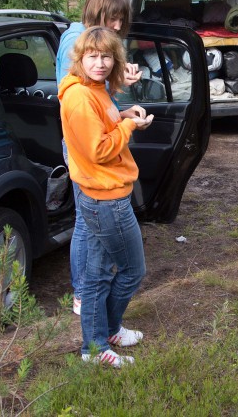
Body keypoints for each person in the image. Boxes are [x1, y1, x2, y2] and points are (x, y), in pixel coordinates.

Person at [58, 26, 154, 368]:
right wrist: (128, 128)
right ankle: (99, 342)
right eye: (92, 56)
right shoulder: (80, 96)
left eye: (106, 56)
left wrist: (123, 115)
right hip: (105, 197)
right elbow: (99, 149)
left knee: (97, 276)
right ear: (80, 58)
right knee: (131, 270)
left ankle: (100, 342)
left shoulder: (93, 88)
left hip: (103, 191)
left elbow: (101, 124)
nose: (99, 63)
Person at [56, 0, 144, 317]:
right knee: (86, 221)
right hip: (88, 149)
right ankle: (84, 293)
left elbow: (99, 94)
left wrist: (120, 83)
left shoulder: (100, 43)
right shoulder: (76, 40)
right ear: (97, 14)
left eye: (122, 20)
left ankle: (91, 303)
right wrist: (127, 125)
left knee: (89, 228)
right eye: (113, 18)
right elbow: (79, 99)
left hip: (97, 141)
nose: (118, 26)